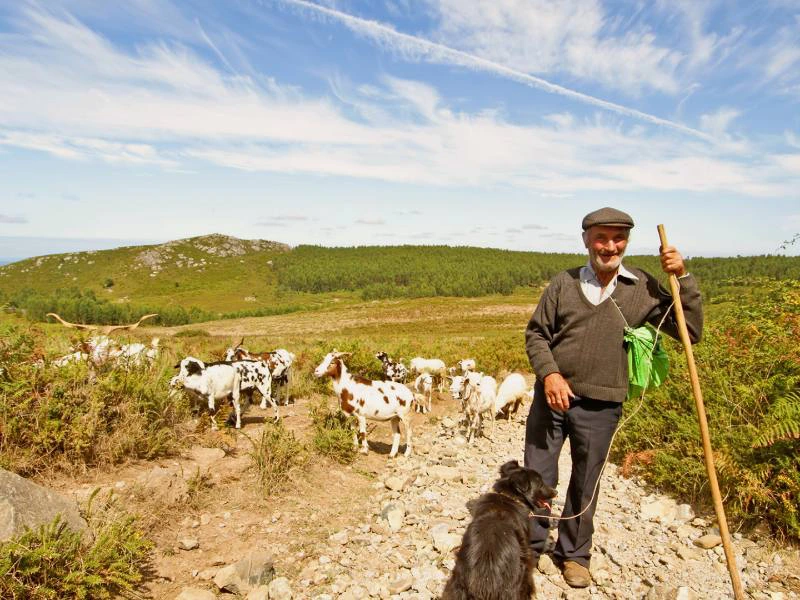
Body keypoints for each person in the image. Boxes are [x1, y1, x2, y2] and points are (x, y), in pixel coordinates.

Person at [524, 207, 703, 588]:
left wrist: (683, 278)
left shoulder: (642, 286)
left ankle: (574, 555)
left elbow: (689, 331)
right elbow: (537, 334)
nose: (610, 246)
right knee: (538, 475)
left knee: (586, 481)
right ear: (586, 240)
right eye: (601, 238)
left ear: (627, 241)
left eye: (618, 238)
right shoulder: (563, 284)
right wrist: (550, 375)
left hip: (602, 403)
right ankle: (529, 548)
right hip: (551, 397)